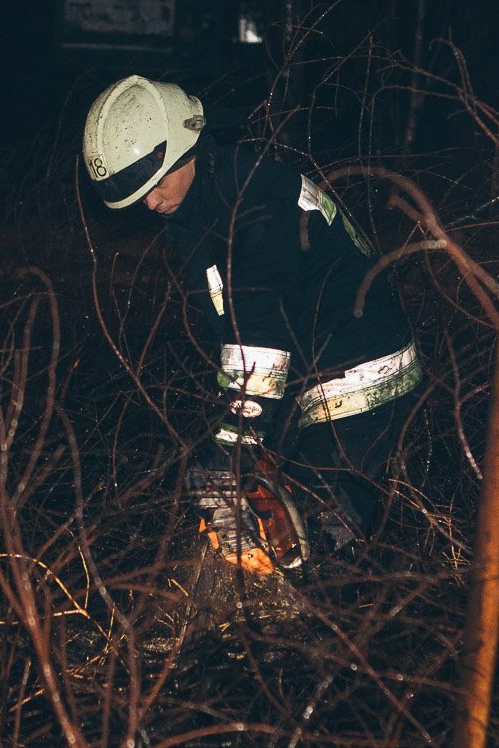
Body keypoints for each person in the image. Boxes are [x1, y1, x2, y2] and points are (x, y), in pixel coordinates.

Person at [82, 75, 421, 575]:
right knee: (276, 520)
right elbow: (232, 332)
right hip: (308, 372)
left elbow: (260, 335)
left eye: (154, 185)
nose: (150, 203)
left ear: (182, 145)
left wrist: (233, 447)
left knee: (327, 536)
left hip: (359, 376)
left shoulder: (251, 202)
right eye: (137, 196)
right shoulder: (200, 207)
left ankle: (335, 607)